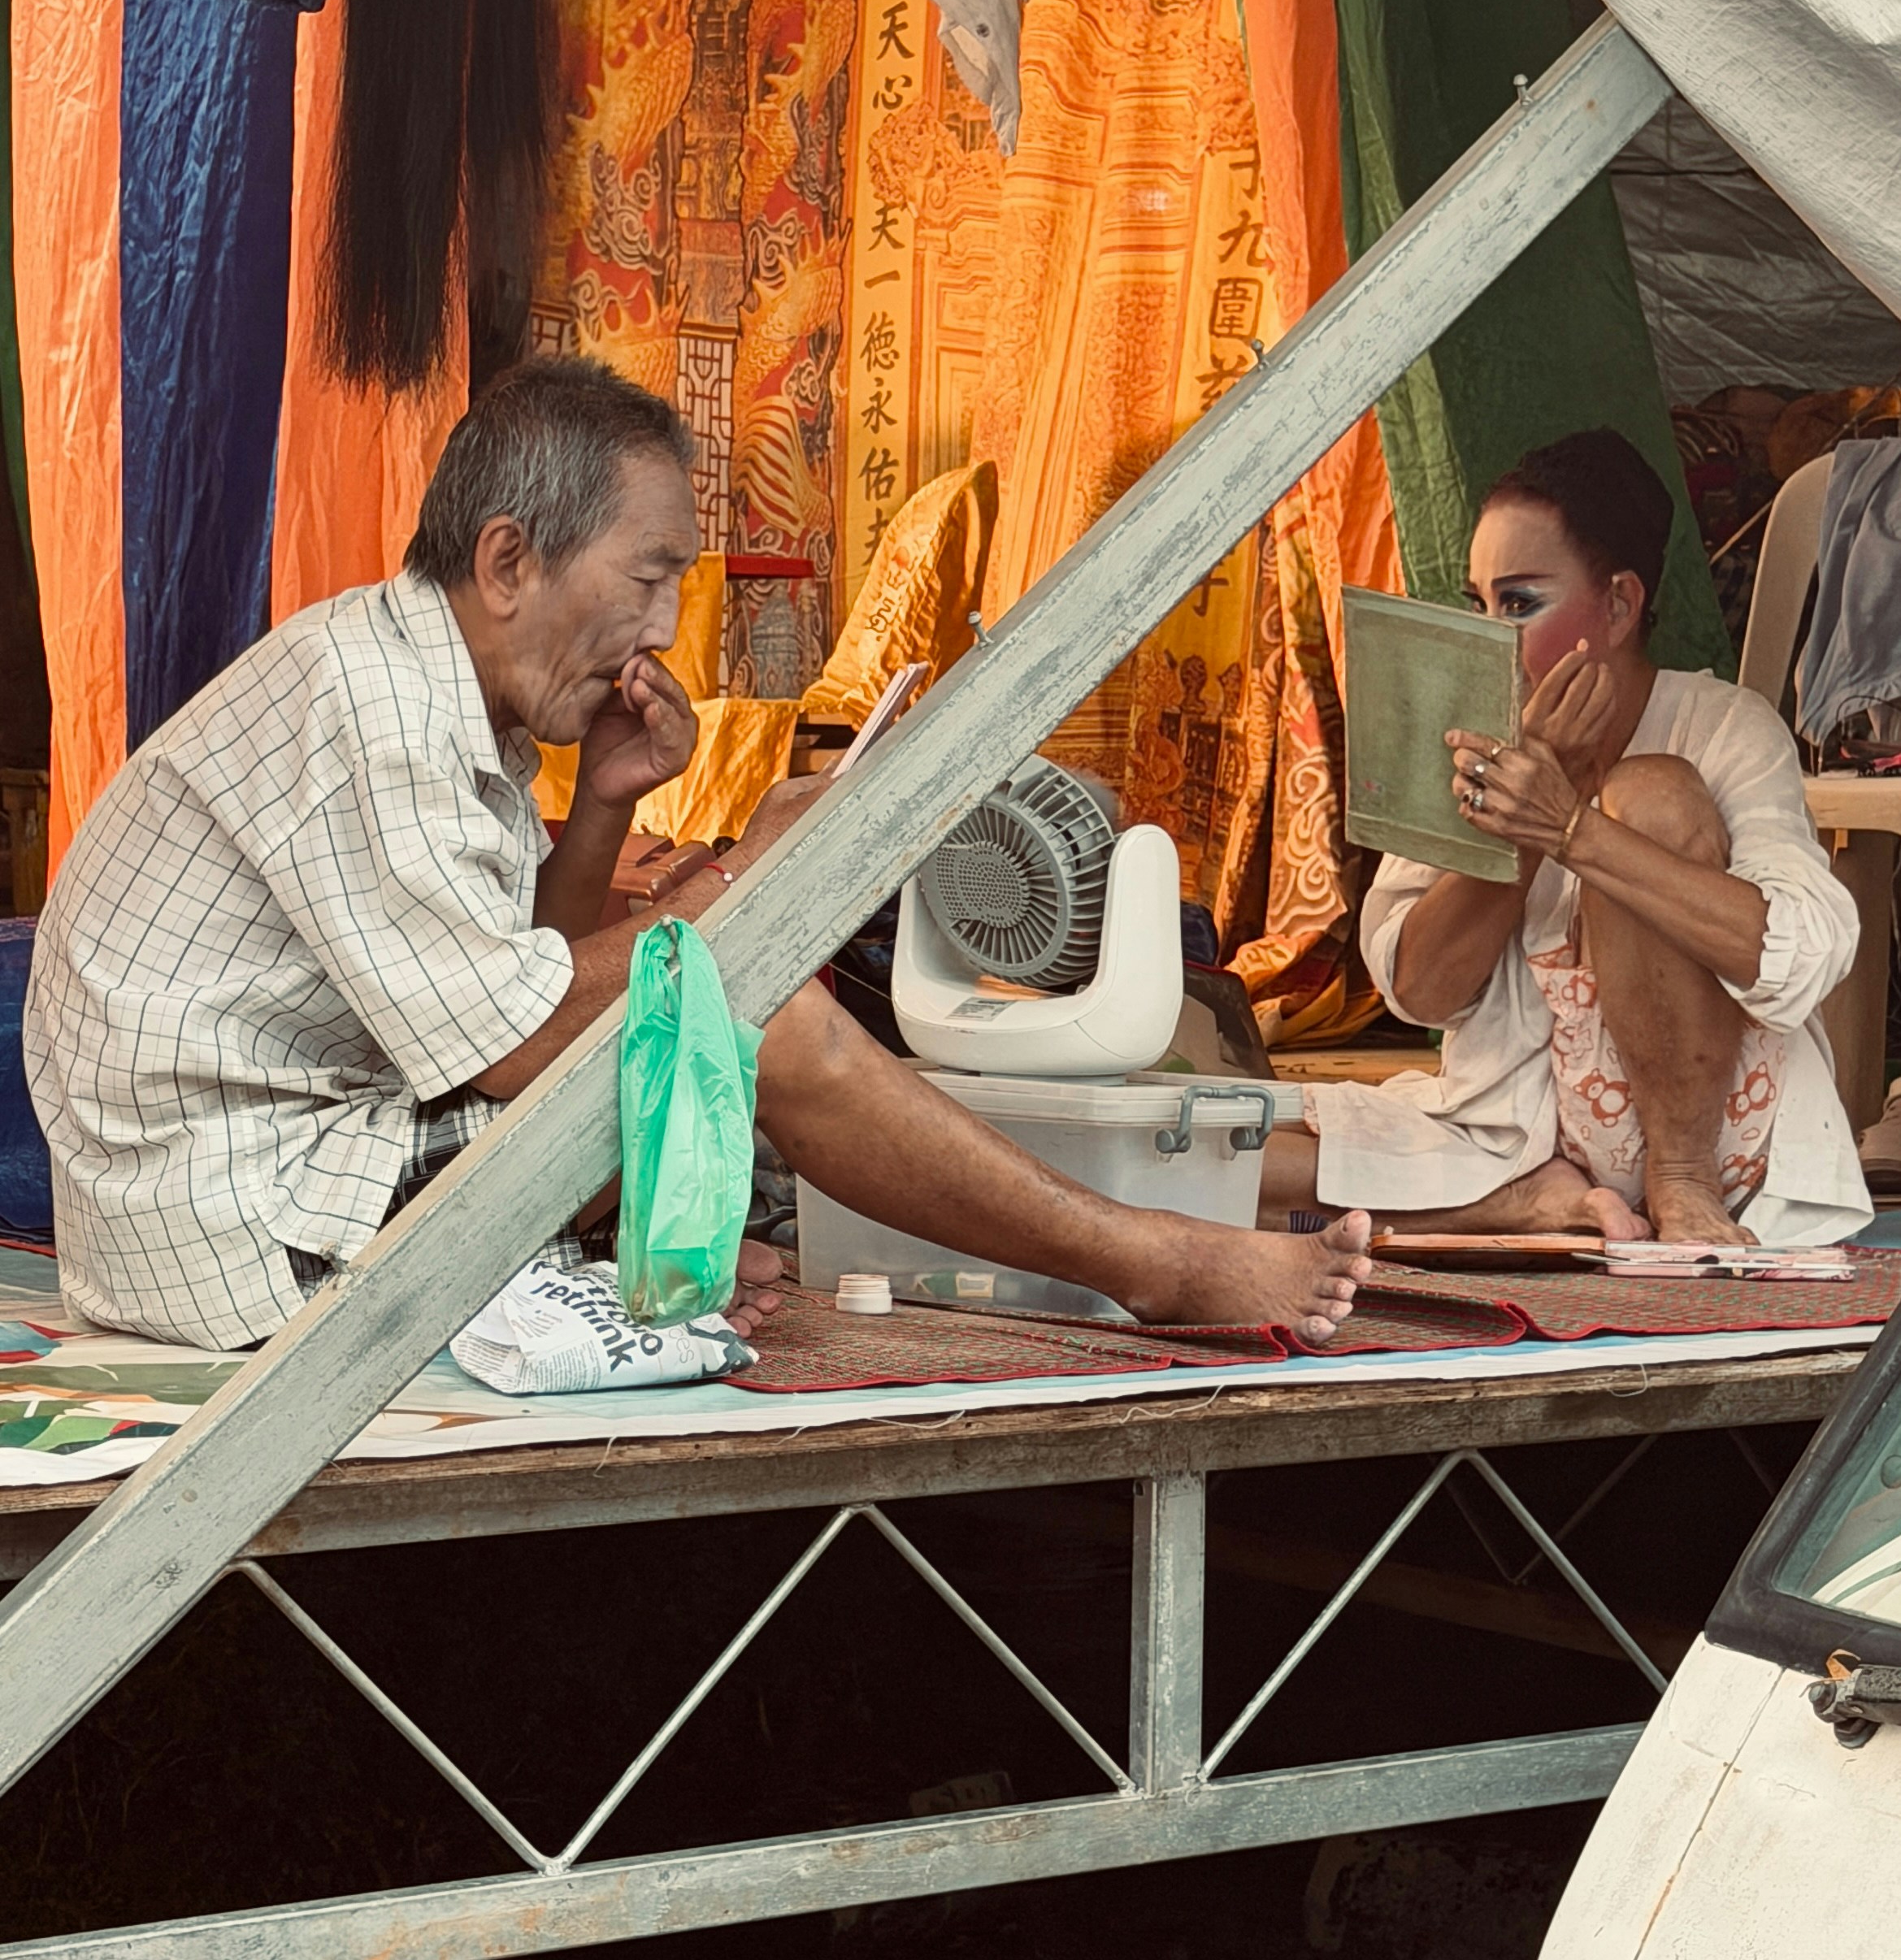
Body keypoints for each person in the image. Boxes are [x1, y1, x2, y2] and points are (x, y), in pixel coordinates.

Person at [25, 358, 1372, 1353]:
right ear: (507, 560)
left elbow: (512, 989)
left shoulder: (425, 687)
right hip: (223, 1214)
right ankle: (1155, 1264)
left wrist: (603, 810)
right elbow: (506, 1042)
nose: (663, 627)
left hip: (295, 1159)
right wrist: (743, 877)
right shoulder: (364, 706)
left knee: (735, 1123)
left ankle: (655, 1272)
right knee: (759, 1033)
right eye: (647, 576)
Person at [1254, 428, 1869, 1248]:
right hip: (1520, 1133)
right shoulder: (1472, 738)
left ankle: (1674, 1187)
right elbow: (1421, 991)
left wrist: (1575, 831)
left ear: (1617, 605)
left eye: (1519, 603)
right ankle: (1531, 1208)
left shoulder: (1721, 726)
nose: (1493, 638)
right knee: (1215, 1170)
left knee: (1649, 793)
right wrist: (1518, 830)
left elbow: (1802, 954)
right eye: (1478, 606)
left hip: (1711, 1137)